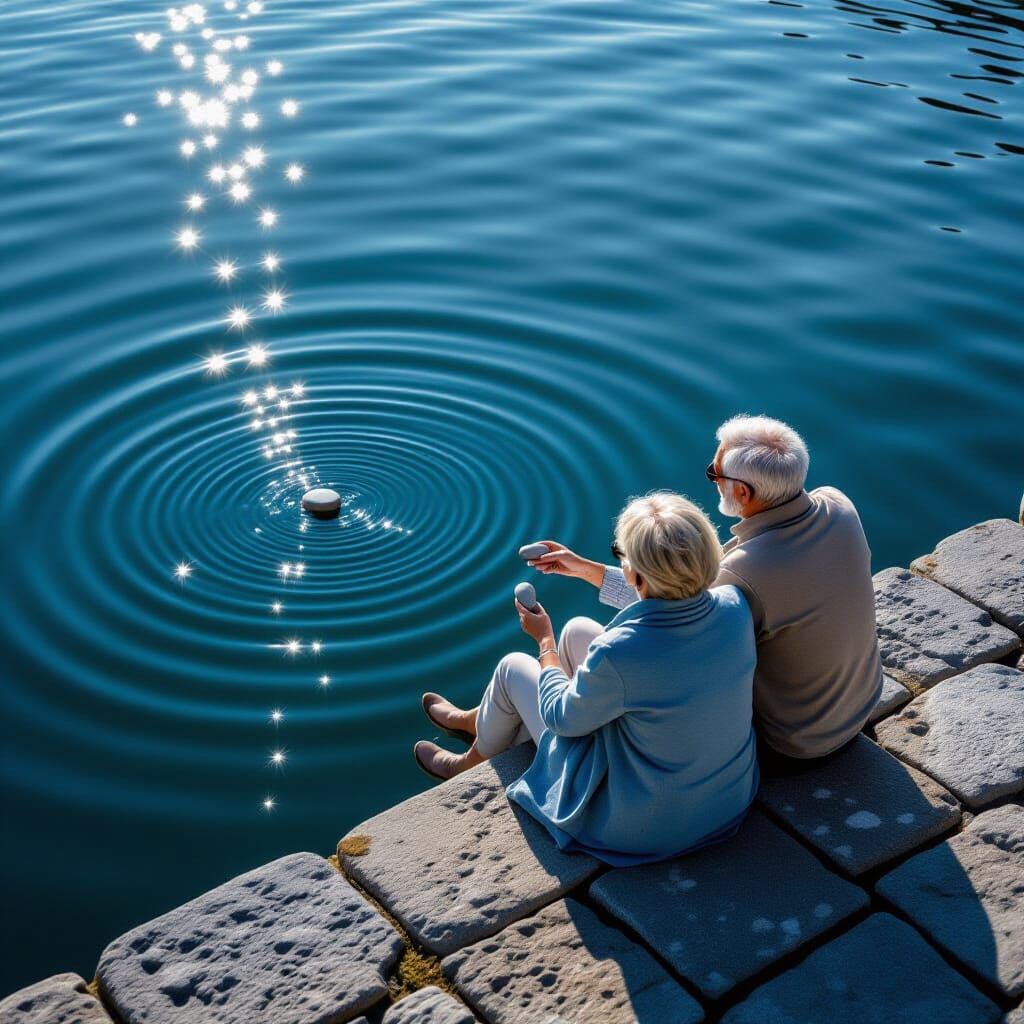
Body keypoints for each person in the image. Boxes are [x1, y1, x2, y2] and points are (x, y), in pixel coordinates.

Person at [413, 492, 759, 867]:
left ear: (636, 574)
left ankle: (468, 762)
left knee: (513, 667)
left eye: (620, 554)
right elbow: (673, 600)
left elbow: (560, 718)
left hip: (651, 824)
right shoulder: (733, 605)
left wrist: (544, 641)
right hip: (725, 800)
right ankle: (477, 720)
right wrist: (582, 568)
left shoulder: (620, 652)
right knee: (578, 630)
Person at [533, 415, 883, 767]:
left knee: (587, 649)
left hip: (791, 743)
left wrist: (553, 632)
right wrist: (586, 570)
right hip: (861, 705)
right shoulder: (839, 505)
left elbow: (675, 614)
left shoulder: (741, 573)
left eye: (714, 474)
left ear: (743, 492)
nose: (713, 480)